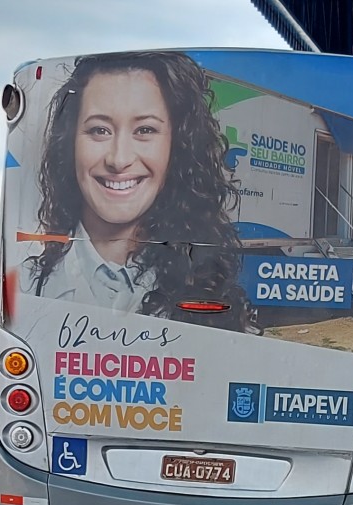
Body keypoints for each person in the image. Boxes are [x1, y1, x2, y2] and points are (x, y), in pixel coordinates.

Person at [20, 51, 258, 333]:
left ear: (177, 146)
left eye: (145, 130)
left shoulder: (213, 292)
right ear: (69, 143)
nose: (119, 160)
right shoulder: (25, 284)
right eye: (99, 130)